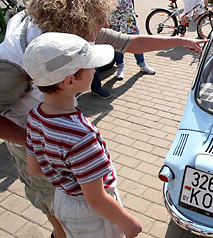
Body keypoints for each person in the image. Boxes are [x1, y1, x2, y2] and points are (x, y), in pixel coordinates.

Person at [0, 0, 205, 238]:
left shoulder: (66, 34)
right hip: (37, 142)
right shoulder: (16, 67)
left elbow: (129, 42)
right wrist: (43, 142)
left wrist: (182, 41)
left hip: (45, 138)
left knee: (61, 203)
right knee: (52, 204)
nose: (104, 24)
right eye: (98, 20)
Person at [23, 32, 143, 238]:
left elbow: (34, 168)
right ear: (69, 82)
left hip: (62, 200)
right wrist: (129, 223)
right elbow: (96, 198)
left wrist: (66, 177)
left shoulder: (35, 115)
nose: (95, 70)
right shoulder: (81, 136)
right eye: (91, 67)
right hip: (91, 211)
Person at [102, 0, 155, 79]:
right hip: (115, 19)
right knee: (119, 45)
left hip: (129, 17)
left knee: (136, 42)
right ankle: (120, 67)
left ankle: (142, 64)